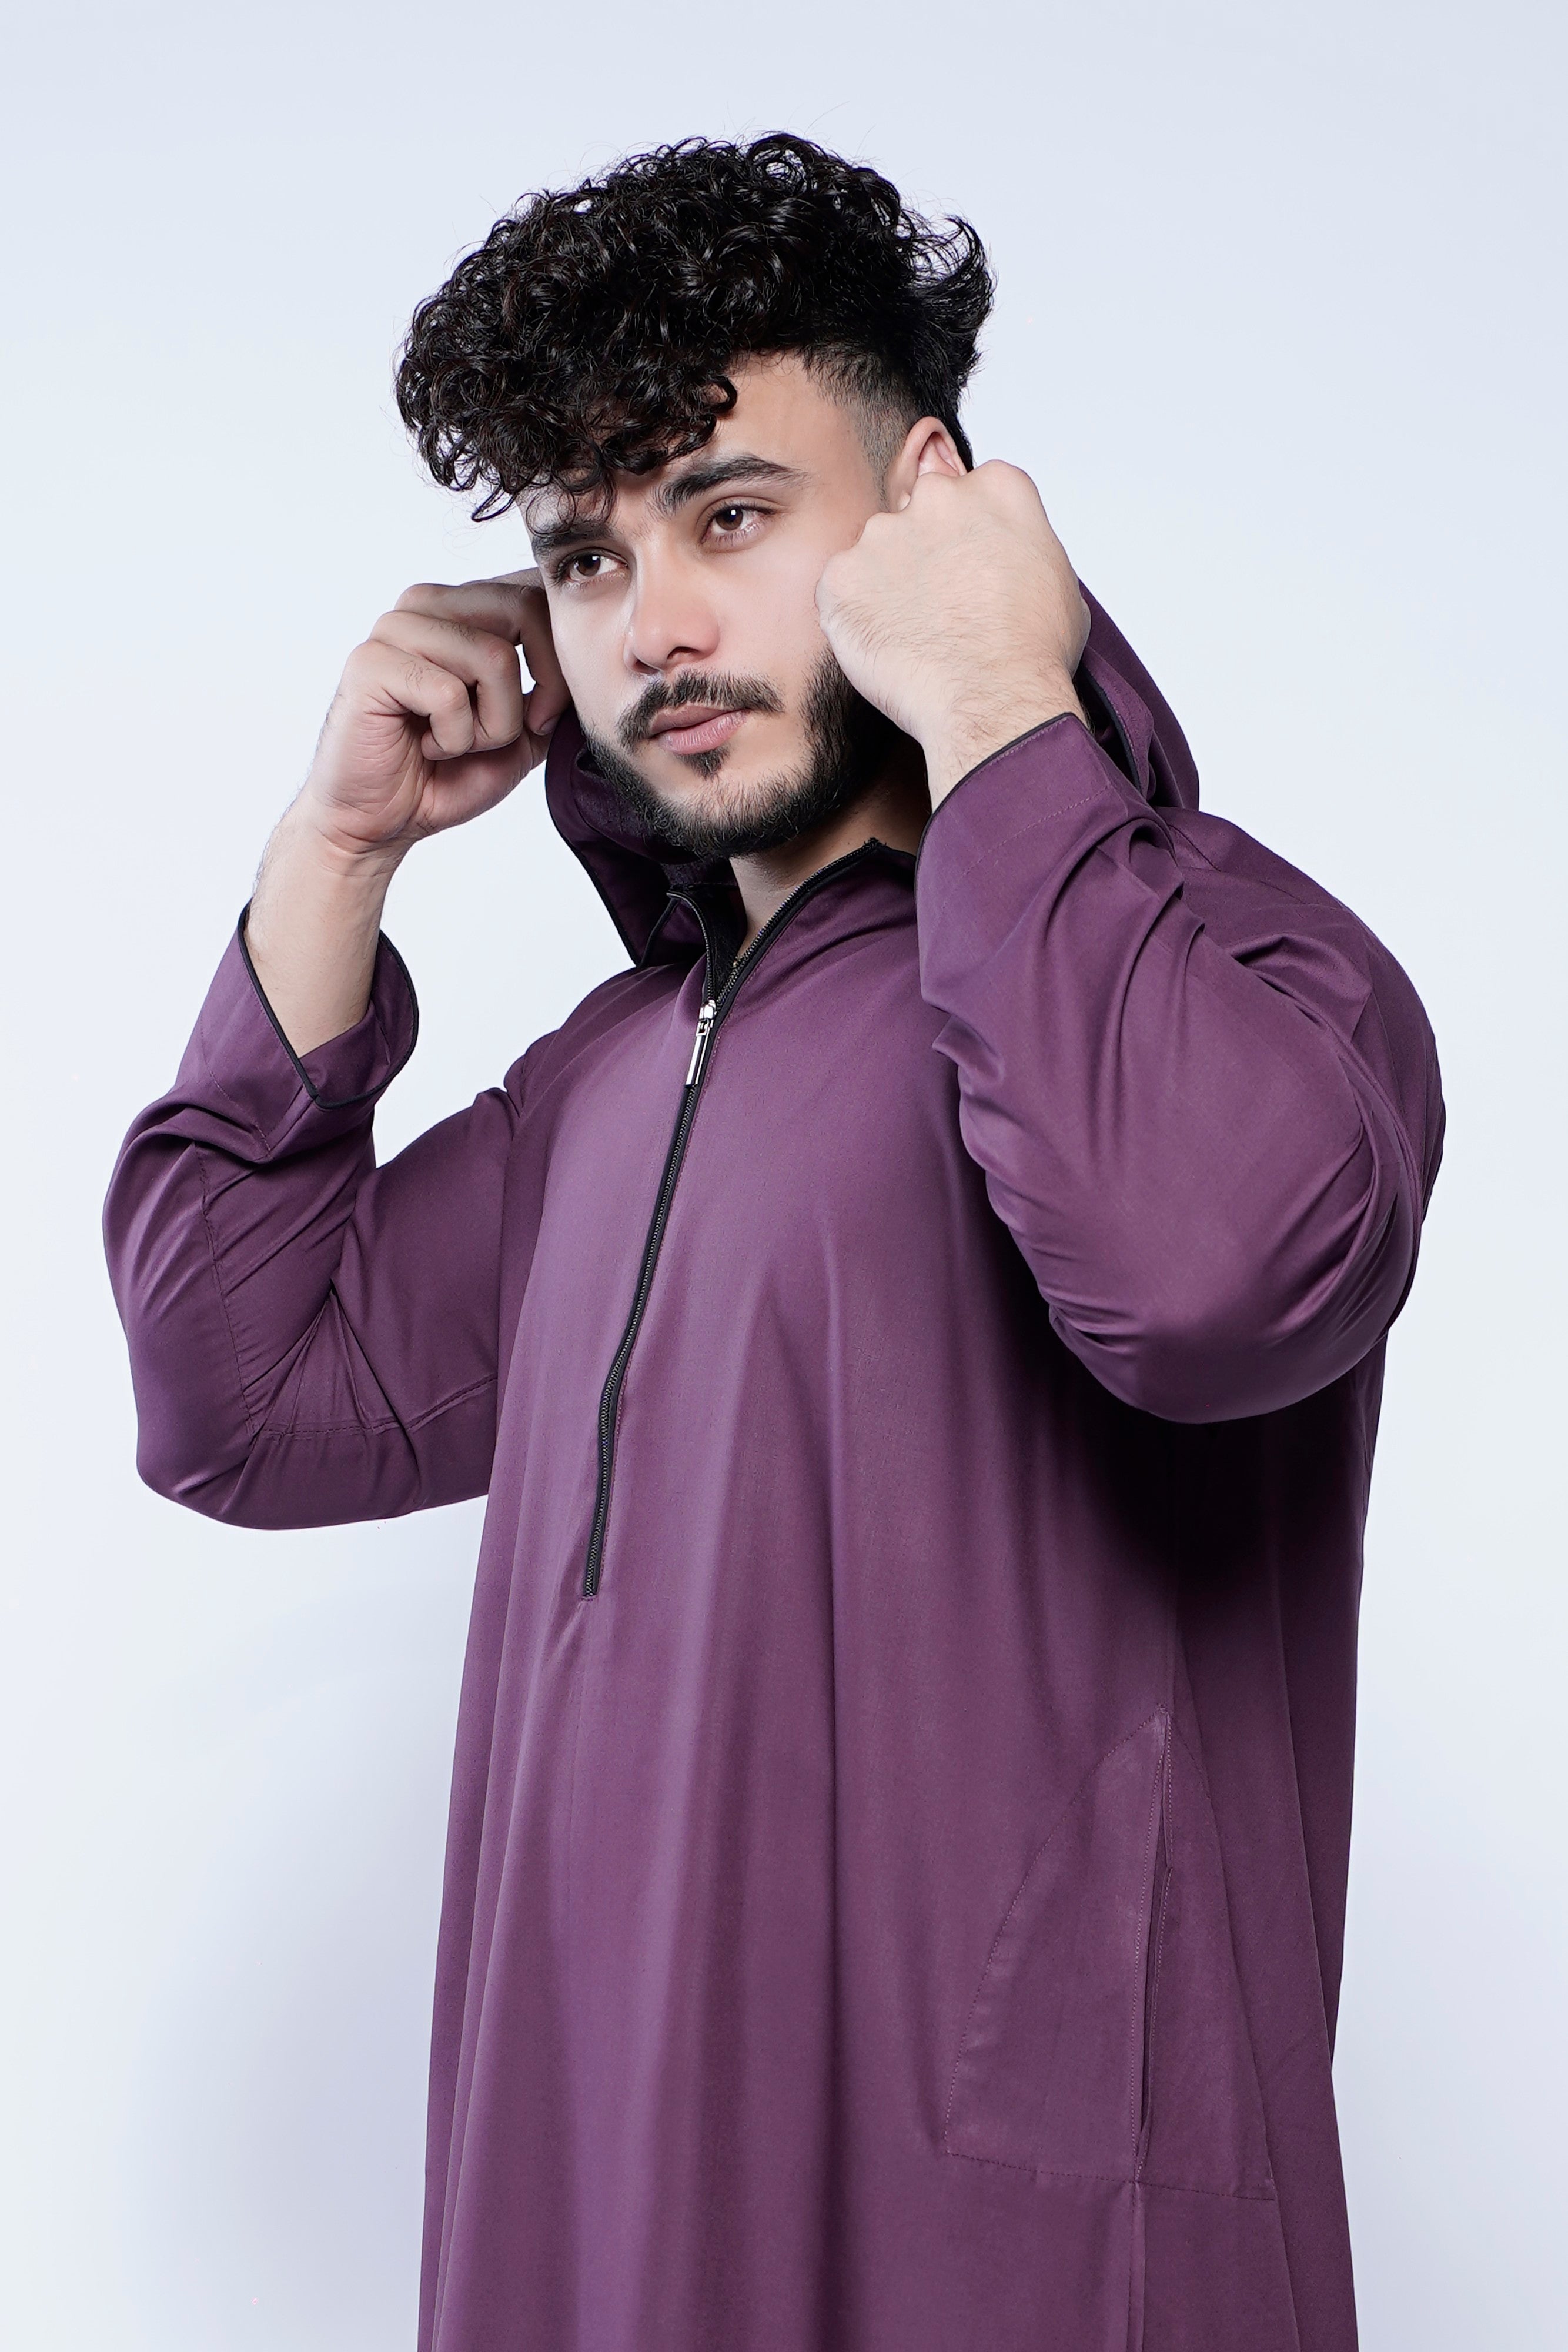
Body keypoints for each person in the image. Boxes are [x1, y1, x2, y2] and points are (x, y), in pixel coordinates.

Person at [103, 134, 1443, 2352]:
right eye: (587, 557)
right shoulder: (611, 1083)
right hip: (594, 2253)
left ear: (931, 508)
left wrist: (1001, 703)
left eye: (728, 516)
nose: (654, 626)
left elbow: (1204, 1278)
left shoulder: (1241, 972)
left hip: (1030, 2282)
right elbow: (237, 1399)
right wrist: (332, 853)